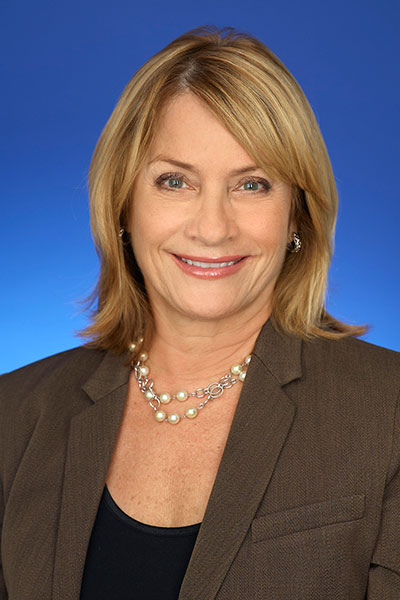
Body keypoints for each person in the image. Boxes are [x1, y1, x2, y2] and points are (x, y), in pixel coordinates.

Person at [0, 25, 399, 600]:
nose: (213, 228)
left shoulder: (389, 412)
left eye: (252, 185)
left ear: (296, 214)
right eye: (175, 181)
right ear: (123, 205)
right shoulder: (15, 416)